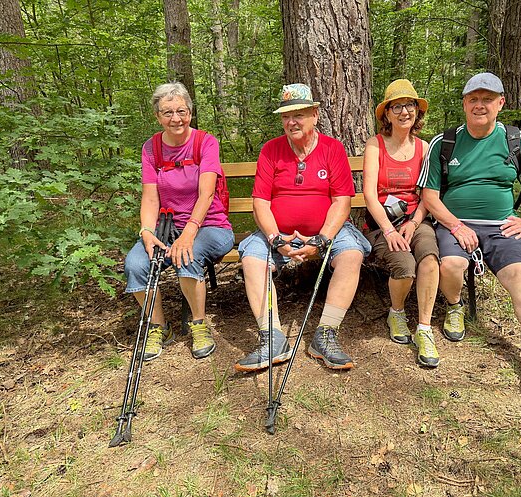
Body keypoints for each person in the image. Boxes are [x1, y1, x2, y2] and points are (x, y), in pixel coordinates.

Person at [419, 72, 521, 383]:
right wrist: (456, 226)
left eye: (487, 99)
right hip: (454, 224)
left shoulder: (514, 140)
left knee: (519, 274)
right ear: (464, 104)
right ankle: (455, 306)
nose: (480, 105)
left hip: (502, 226)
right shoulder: (445, 142)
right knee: (451, 265)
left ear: (500, 103)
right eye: (473, 99)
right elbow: (429, 196)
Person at [234, 83, 370, 372]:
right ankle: (272, 338)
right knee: (252, 258)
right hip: (277, 233)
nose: (292, 122)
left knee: (351, 254)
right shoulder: (271, 150)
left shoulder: (332, 149)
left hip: (327, 231)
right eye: (286, 116)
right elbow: (260, 202)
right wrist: (275, 239)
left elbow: (342, 201)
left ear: (315, 115)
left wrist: (322, 239)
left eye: (299, 114)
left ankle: (325, 335)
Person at [124, 82, 234, 361]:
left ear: (190, 112)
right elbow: (150, 197)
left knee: (188, 253)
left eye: (181, 111)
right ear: (157, 116)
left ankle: (199, 324)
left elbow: (206, 193)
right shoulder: (151, 149)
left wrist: (188, 234)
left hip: (210, 225)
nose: (176, 118)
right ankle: (158, 327)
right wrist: (146, 231)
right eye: (168, 112)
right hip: (167, 227)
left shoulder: (205, 142)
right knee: (135, 263)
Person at [363, 79, 440, 367]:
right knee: (405, 267)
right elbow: (369, 195)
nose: (404, 112)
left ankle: (424, 328)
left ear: (417, 111)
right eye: (396, 106)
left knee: (429, 258)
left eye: (409, 105)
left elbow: (428, 193)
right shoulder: (375, 145)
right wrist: (388, 230)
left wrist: (415, 221)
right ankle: (396, 313)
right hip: (381, 223)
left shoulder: (424, 148)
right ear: (387, 113)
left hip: (415, 219)